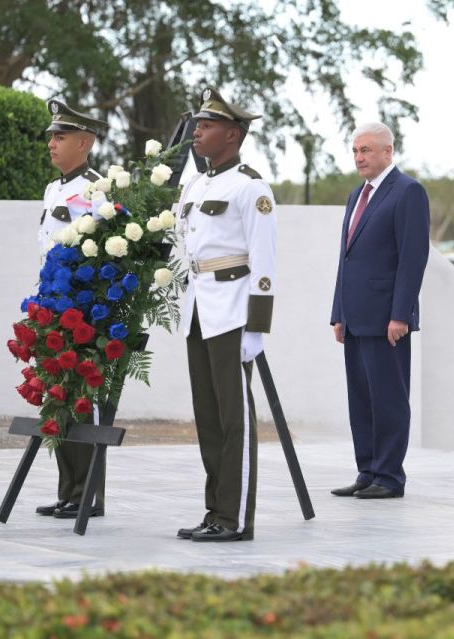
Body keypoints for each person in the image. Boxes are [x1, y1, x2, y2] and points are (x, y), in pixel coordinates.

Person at [175, 87, 277, 542]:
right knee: (208, 415)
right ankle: (214, 510)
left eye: (207, 125)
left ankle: (233, 519)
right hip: (199, 309)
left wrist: (256, 326)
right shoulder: (198, 183)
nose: (197, 130)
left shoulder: (250, 186)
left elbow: (264, 260)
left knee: (234, 418)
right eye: (198, 123)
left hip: (232, 311)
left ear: (232, 135)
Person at [329, 122, 431, 499]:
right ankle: (368, 470)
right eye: (356, 151)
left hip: (388, 318)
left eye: (367, 150)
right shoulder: (356, 194)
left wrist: (401, 314)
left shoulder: (408, 192)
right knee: (362, 398)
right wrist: (338, 312)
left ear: (388, 151)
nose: (359, 157)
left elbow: (412, 258)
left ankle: (389, 477)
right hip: (355, 316)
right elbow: (347, 258)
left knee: (388, 398)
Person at [35, 100, 109, 520]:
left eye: (60, 137)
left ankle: (86, 495)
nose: (52, 143)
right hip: (50, 304)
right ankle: (68, 491)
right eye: (51, 136)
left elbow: (106, 254)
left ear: (84, 142)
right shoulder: (53, 189)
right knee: (56, 396)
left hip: (81, 309)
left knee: (81, 399)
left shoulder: (98, 188)